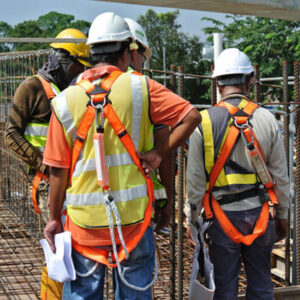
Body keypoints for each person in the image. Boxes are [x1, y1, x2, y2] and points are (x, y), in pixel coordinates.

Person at [43, 12, 201, 299]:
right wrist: (156, 154)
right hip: (134, 222)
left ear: (90, 53)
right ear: (127, 52)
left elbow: (57, 169)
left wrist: (54, 218)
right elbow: (191, 116)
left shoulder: (64, 101)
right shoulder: (142, 87)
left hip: (83, 226)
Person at [186, 48, 289, 300]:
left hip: (221, 219)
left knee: (224, 289)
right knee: (262, 285)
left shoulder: (202, 122)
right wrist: (284, 215)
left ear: (217, 83)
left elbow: (195, 184)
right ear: (249, 80)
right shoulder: (267, 118)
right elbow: (281, 177)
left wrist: (193, 222)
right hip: (261, 217)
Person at [5, 28, 91, 222]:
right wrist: (45, 166)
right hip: (46, 178)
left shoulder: (74, 90)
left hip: (75, 176)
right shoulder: (31, 88)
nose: (81, 71)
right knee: (60, 236)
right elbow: (11, 135)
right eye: (79, 65)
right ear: (65, 60)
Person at [125, 17, 173, 231]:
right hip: (138, 208)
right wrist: (168, 203)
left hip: (89, 211)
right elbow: (166, 154)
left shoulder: (80, 87)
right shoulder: (147, 90)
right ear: (134, 52)